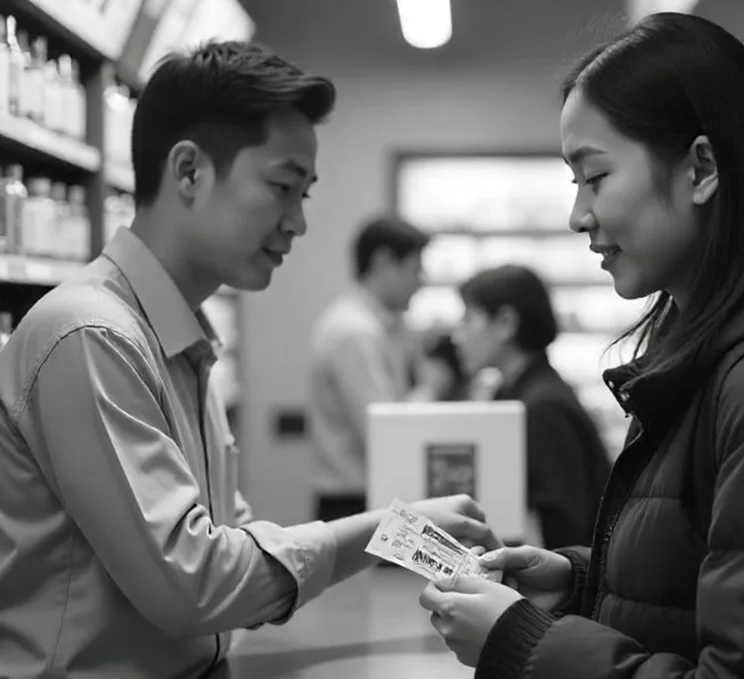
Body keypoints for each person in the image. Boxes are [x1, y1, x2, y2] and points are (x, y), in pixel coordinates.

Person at [419, 13, 744, 679]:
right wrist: (576, 581)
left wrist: (525, 642)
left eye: (595, 177)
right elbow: (708, 573)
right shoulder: (721, 357)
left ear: (701, 167)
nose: (578, 215)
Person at [0, 42, 497, 679]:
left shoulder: (180, 337)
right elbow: (196, 582)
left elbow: (230, 549)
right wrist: (391, 531)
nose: (298, 223)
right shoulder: (91, 335)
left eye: (305, 194)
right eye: (282, 187)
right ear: (188, 172)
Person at [453, 265, 611, 549]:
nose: (457, 335)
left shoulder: (543, 407)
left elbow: (563, 529)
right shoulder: (517, 393)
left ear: (505, 322)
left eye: (467, 319)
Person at [308, 215, 449, 521]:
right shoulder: (355, 332)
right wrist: (431, 388)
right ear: (384, 262)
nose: (422, 280)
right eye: (415, 268)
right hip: (353, 501)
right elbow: (385, 435)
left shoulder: (378, 325)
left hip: (361, 496)